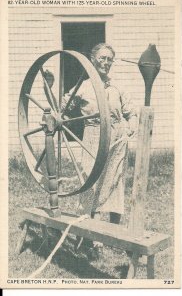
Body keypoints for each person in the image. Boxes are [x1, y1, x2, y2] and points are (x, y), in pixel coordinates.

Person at [45, 43, 137, 255]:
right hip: (93, 138)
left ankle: (115, 236)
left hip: (117, 137)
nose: (106, 63)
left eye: (109, 59)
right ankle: (85, 237)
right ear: (92, 60)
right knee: (90, 183)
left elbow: (131, 113)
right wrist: (49, 86)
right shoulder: (84, 87)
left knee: (115, 182)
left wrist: (131, 124)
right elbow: (60, 110)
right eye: (102, 58)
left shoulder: (117, 88)